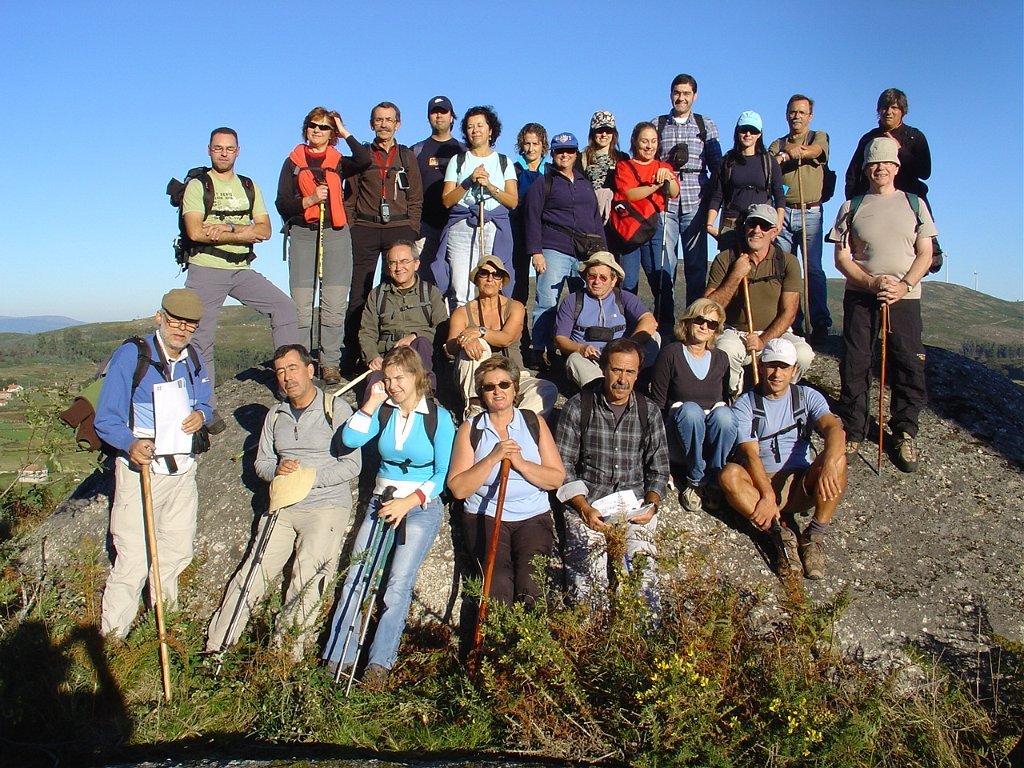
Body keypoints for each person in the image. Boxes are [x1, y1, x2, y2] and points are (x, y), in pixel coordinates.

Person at [205, 344, 360, 659]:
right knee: (254, 571)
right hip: (284, 506)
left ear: (310, 370)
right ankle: (217, 647)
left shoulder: (337, 409)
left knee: (308, 575)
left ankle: (285, 654)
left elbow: (353, 465)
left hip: (326, 505)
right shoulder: (276, 415)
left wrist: (309, 478)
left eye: (292, 368)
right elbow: (261, 464)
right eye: (280, 371)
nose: (287, 377)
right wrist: (277, 470)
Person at [322, 346, 455, 684]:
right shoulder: (383, 412)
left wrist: (409, 502)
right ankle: (338, 656)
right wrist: (371, 401)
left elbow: (442, 474)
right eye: (388, 378)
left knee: (397, 583)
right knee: (357, 575)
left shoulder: (439, 419)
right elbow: (349, 439)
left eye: (400, 378)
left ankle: (378, 664)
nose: (394, 385)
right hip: (381, 499)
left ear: (417, 377)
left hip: (419, 506)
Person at [94, 289, 213, 638]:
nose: (181, 328)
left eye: (189, 323)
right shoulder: (133, 355)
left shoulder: (195, 358)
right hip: (141, 471)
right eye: (175, 319)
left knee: (176, 552)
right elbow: (107, 419)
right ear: (159, 317)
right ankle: (112, 640)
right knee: (133, 559)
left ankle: (162, 629)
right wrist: (130, 443)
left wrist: (200, 415)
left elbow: (205, 402)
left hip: (183, 471)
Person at [827, 137, 936, 473]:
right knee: (856, 362)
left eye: (886, 163)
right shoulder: (852, 206)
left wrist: (903, 285)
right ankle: (854, 427)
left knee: (908, 364)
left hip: (905, 297)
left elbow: (926, 254)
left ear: (897, 167)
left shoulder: (915, 204)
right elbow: (841, 257)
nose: (880, 169)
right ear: (865, 169)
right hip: (862, 293)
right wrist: (871, 282)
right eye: (873, 164)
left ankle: (904, 432)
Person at [182, 127, 299, 430]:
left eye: (229, 148)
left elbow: (265, 230)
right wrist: (245, 231)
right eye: (218, 148)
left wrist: (228, 230)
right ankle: (205, 408)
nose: (224, 153)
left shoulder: (248, 186)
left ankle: (289, 384)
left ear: (238, 151)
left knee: (284, 308)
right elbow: (195, 231)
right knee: (201, 339)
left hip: (240, 269)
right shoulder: (198, 185)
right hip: (205, 268)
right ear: (209, 150)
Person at [447, 356, 565, 643]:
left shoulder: (533, 422)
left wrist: (521, 463)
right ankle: (495, 659)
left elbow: (555, 478)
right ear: (481, 392)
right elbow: (459, 488)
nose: (497, 391)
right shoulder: (471, 429)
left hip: (532, 517)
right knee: (496, 586)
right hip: (485, 516)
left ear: (515, 389)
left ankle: (529, 654)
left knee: (531, 586)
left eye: (504, 384)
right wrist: (492, 458)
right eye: (489, 387)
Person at [555, 339, 670, 607]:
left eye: (630, 372)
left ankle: (641, 641)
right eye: (617, 370)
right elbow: (563, 466)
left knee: (643, 578)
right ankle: (589, 638)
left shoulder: (648, 411)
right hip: (589, 507)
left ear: (638, 374)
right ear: (603, 369)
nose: (622, 379)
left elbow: (659, 466)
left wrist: (652, 503)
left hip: (635, 509)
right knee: (587, 581)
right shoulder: (578, 406)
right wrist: (583, 508)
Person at [719, 339, 847, 579]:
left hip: (800, 481)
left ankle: (814, 536)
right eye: (771, 366)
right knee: (729, 476)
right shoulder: (746, 404)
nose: (777, 373)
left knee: (838, 458)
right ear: (761, 365)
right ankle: (779, 535)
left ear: (794, 369)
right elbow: (751, 454)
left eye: (784, 367)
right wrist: (767, 495)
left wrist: (829, 464)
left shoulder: (808, 397)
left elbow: (835, 430)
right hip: (760, 483)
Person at [276, 108, 372, 384]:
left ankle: (330, 362)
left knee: (333, 303)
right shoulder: (292, 162)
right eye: (312, 125)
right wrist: (308, 201)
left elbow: (364, 159)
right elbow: (282, 202)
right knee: (302, 306)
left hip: (335, 234)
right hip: (304, 234)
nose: (316, 130)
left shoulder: (339, 160)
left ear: (332, 134)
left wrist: (344, 130)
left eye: (324, 127)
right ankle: (302, 362)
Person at [704, 204, 814, 397]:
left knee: (803, 355)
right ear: (745, 227)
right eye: (752, 224)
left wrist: (763, 340)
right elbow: (706, 308)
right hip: (735, 332)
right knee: (725, 350)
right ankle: (735, 400)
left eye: (764, 226)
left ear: (774, 232)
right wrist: (735, 275)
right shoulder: (725, 259)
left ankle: (780, 398)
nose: (757, 230)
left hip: (775, 334)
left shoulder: (787, 262)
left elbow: (789, 312)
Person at [343, 102, 423, 358]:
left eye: (389, 120)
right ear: (371, 124)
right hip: (365, 227)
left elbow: (416, 198)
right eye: (379, 120)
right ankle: (356, 351)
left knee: (394, 290)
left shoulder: (406, 156)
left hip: (399, 227)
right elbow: (350, 196)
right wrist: (351, 226)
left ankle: (393, 349)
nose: (384, 124)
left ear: (397, 124)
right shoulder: (363, 156)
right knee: (359, 290)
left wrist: (412, 227)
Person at [524, 131, 606, 359]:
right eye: (559, 151)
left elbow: (595, 219)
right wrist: (536, 252)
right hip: (553, 249)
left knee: (584, 303)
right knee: (547, 302)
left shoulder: (585, 183)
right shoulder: (544, 183)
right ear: (552, 154)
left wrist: (604, 257)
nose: (564, 155)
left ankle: (575, 350)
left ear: (576, 153)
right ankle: (539, 349)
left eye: (569, 150)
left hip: (585, 252)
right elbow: (532, 217)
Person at [649, 298, 736, 513]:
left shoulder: (721, 359)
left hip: (709, 436)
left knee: (725, 415)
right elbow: (658, 404)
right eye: (700, 320)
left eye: (712, 323)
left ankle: (715, 479)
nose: (705, 326)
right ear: (687, 322)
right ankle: (695, 482)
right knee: (690, 411)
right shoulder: (671, 354)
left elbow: (724, 398)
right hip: (679, 434)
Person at [445, 256, 558, 419]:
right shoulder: (461, 313)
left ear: (501, 281)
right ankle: (475, 411)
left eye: (496, 274)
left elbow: (507, 338)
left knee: (547, 389)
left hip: (512, 375)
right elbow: (450, 348)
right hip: (479, 379)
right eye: (484, 273)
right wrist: (464, 341)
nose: (490, 278)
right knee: (477, 344)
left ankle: (517, 422)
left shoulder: (515, 307)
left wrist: (480, 331)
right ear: (477, 279)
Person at [844, 88, 942, 264]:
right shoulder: (869, 139)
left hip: (909, 206)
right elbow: (852, 175)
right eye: (884, 107)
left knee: (926, 258)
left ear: (902, 111)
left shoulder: (915, 137)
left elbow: (925, 172)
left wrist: (900, 151)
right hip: (873, 205)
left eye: (894, 108)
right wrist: (853, 208)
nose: (888, 112)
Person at [653, 73, 723, 307]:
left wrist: (715, 203)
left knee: (696, 265)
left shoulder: (706, 124)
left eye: (686, 93)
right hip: (665, 202)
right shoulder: (657, 124)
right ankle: (665, 319)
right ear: (670, 94)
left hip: (696, 200)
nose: (681, 98)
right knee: (665, 263)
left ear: (695, 96)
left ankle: (693, 318)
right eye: (677, 93)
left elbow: (717, 166)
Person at [440, 106, 518, 307]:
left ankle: (489, 334)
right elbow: (447, 200)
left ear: (490, 130)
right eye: (470, 126)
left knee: (491, 285)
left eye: (480, 125)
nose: (475, 130)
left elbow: (512, 201)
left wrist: (490, 186)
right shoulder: (457, 161)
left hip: (494, 227)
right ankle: (460, 335)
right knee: (461, 288)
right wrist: (468, 182)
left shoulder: (503, 162)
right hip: (461, 228)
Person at [768, 95, 833, 341]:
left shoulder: (819, 136)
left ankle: (820, 322)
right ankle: (791, 319)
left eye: (801, 112)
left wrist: (799, 152)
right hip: (783, 212)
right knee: (786, 268)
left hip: (811, 211)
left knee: (813, 268)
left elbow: (817, 151)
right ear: (787, 114)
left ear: (810, 116)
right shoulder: (777, 142)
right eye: (793, 112)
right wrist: (786, 154)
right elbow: (770, 164)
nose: (796, 116)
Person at [553, 251, 660, 389]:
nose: (597, 281)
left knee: (654, 338)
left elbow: (649, 321)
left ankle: (636, 383)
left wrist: (629, 346)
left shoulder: (624, 298)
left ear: (613, 280)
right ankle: (600, 390)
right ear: (586, 277)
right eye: (592, 276)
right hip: (591, 361)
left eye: (603, 277)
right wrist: (580, 348)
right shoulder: (572, 301)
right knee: (574, 359)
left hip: (624, 361)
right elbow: (560, 338)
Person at [611, 121, 680, 334]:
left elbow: (674, 192)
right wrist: (656, 185)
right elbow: (629, 194)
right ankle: (628, 329)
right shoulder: (624, 166)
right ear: (635, 142)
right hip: (631, 228)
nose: (649, 146)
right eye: (644, 141)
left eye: (653, 141)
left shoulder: (664, 167)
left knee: (661, 280)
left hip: (655, 226)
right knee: (628, 282)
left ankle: (665, 330)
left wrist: (668, 178)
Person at [359, 240, 448, 386]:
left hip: (419, 356)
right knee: (375, 390)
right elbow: (367, 331)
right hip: (388, 356)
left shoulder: (431, 292)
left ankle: (425, 395)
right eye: (393, 263)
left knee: (422, 343)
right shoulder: (377, 295)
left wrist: (415, 336)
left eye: (404, 261)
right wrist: (372, 357)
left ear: (416, 264)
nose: (398, 267)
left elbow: (442, 328)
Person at [412, 96, 466, 293]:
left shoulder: (463, 151)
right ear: (428, 118)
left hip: (456, 227)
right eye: (435, 112)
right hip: (424, 229)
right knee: (424, 284)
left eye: (443, 112)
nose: (439, 116)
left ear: (452, 117)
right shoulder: (417, 151)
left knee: (457, 285)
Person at [706, 111, 785, 243]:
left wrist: (778, 226)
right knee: (729, 263)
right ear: (737, 131)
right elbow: (717, 196)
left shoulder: (769, 162)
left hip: (760, 224)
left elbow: (779, 196)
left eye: (753, 131)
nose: (748, 134)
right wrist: (709, 225)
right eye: (744, 130)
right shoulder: (726, 162)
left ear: (759, 134)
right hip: (732, 223)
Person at [511, 123, 550, 323]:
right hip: (517, 231)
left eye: (536, 143)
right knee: (519, 287)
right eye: (527, 143)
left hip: (544, 233)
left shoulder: (550, 171)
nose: (531, 148)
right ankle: (520, 335)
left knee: (546, 288)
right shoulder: (514, 169)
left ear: (543, 145)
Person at [579, 110, 629, 223]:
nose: (604, 135)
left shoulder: (623, 158)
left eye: (608, 131)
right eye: (600, 131)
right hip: (591, 215)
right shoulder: (582, 157)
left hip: (616, 216)